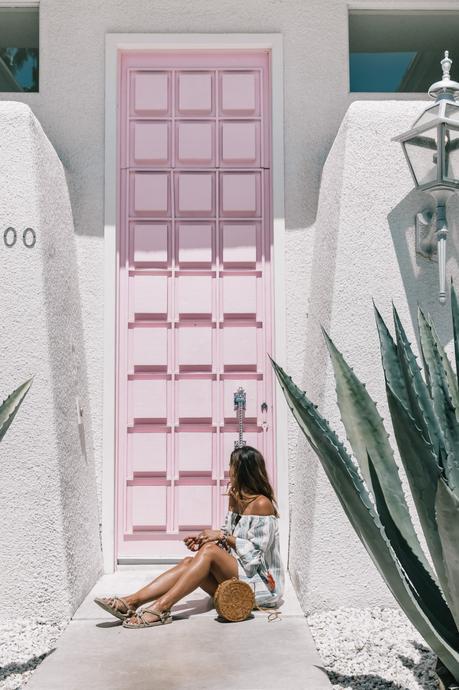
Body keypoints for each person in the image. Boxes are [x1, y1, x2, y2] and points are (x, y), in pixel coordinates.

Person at [94, 445, 284, 628]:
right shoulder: (235, 497)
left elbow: (255, 557)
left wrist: (219, 539)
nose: (229, 471)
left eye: (231, 466)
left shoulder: (262, 504)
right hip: (237, 580)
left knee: (209, 552)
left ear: (243, 471)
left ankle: (161, 608)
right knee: (189, 561)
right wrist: (206, 539)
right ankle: (132, 602)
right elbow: (227, 540)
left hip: (260, 586)